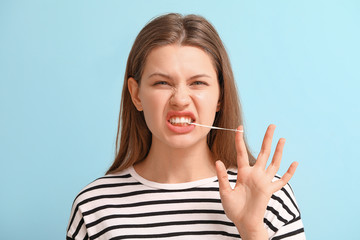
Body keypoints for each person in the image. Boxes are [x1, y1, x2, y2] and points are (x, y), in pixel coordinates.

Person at [66, 13, 305, 240]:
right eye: (162, 82)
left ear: (220, 96)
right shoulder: (94, 206)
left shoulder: (268, 195)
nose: (180, 99)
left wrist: (252, 230)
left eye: (198, 82)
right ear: (136, 94)